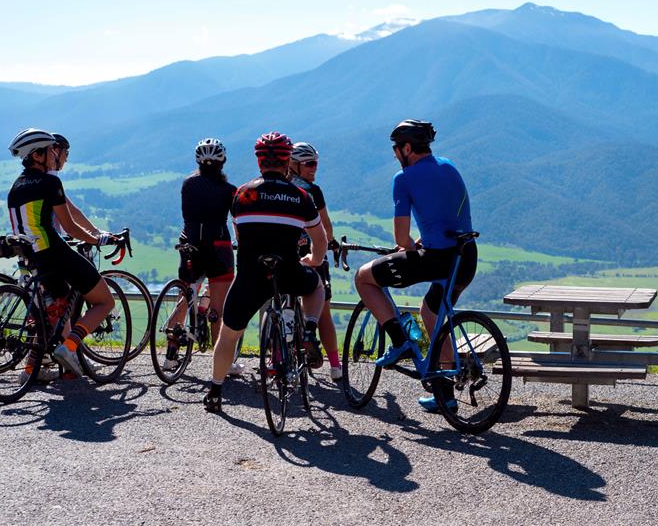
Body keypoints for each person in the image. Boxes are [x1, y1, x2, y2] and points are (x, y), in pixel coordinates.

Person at [354, 119, 477, 412]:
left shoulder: (404, 178)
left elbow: (401, 239)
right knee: (431, 312)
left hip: (438, 259)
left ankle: (399, 342)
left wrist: (409, 247)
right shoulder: (449, 166)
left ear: (407, 148)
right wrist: (423, 240)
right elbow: (447, 218)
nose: (395, 154)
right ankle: (444, 393)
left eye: (396, 149)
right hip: (466, 256)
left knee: (364, 277)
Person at [203, 131, 328, 412]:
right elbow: (319, 241)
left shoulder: (242, 194)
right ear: (287, 161)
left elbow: (240, 234)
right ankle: (309, 330)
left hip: (250, 276)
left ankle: (215, 391)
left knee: (228, 335)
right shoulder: (300, 196)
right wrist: (313, 259)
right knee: (316, 284)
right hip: (289, 271)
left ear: (259, 161)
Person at [6, 128, 118, 383]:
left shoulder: (16, 186)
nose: (55, 155)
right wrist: (96, 238)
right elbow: (70, 227)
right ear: (37, 155)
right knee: (104, 302)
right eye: (50, 151)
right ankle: (69, 347)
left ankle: (35, 368)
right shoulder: (50, 183)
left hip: (32, 256)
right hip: (54, 252)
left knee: (55, 310)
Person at [163, 138, 243, 376]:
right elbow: (237, 223)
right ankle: (224, 364)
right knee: (218, 309)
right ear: (223, 161)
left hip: (189, 244)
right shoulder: (230, 190)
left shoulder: (188, 184)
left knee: (185, 298)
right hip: (218, 248)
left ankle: (170, 356)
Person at [289, 142, 342, 380]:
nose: (314, 168)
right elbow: (325, 226)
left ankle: (276, 358)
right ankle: (335, 366)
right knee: (324, 313)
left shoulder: (281, 187)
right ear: (294, 164)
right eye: (309, 164)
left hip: (285, 255)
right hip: (313, 256)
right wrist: (331, 242)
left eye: (316, 163)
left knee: (279, 308)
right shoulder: (312, 191)